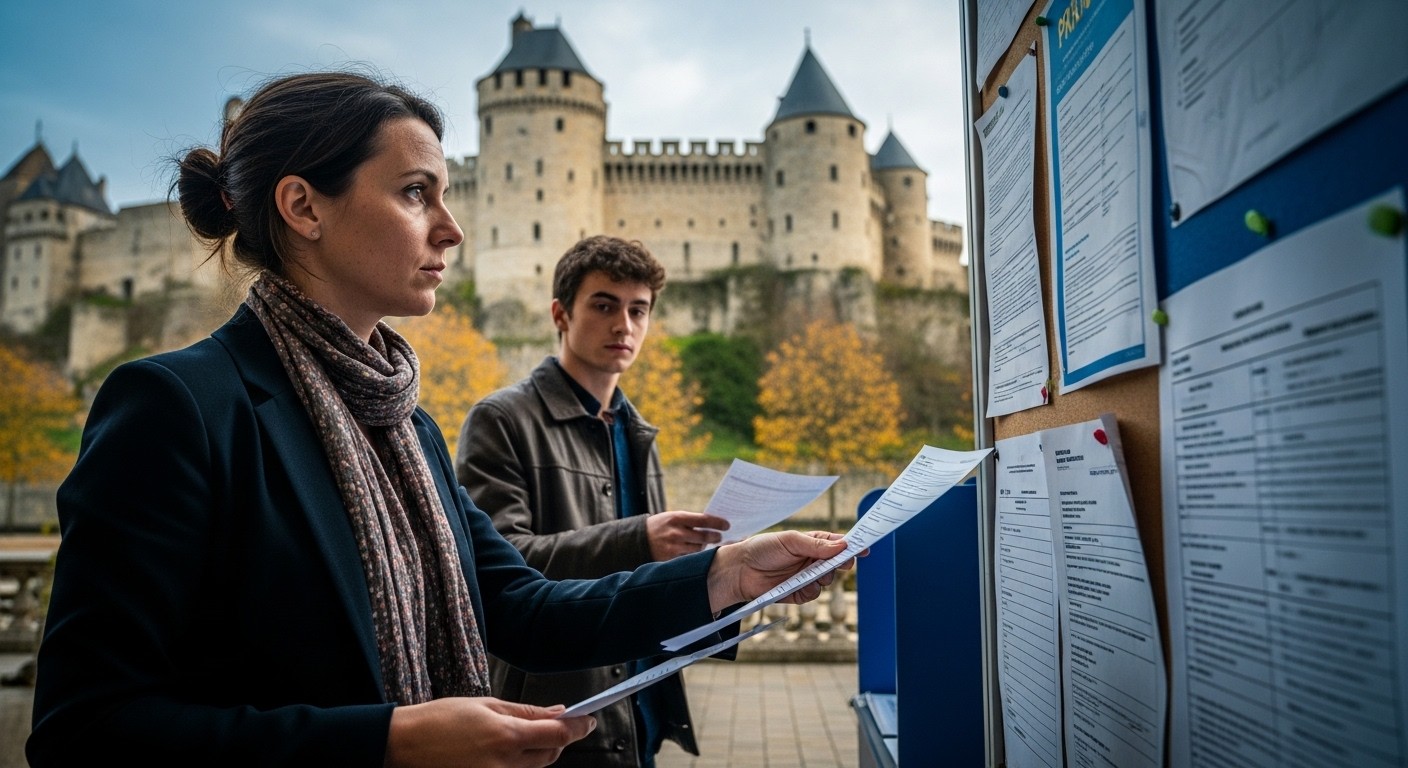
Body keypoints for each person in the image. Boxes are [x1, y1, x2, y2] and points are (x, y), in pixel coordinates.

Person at [25, 70, 852, 768]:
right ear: (304, 208)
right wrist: (387, 741)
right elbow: (84, 728)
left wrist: (724, 576)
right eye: (417, 193)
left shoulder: (405, 428)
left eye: (446, 195)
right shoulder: (177, 408)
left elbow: (525, 610)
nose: (453, 229)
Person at [457, 236, 725, 767]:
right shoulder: (501, 420)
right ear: (561, 314)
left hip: (638, 718)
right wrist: (641, 539)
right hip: (554, 722)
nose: (623, 325)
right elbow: (502, 566)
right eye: (603, 306)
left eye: (638, 310)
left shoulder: (637, 432)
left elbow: (649, 575)